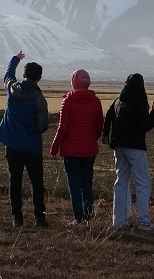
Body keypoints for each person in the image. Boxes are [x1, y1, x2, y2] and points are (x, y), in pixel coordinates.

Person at [0, 50, 50, 228]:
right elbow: (42, 126)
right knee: (37, 183)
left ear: (24, 75)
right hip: (32, 147)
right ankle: (39, 218)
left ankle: (17, 217)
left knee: (15, 181)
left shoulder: (12, 89)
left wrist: (15, 60)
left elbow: (7, 76)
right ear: (39, 78)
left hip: (12, 145)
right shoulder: (39, 100)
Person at [102, 73, 154, 230]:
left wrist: (107, 135)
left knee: (121, 182)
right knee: (143, 182)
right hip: (135, 147)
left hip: (119, 147)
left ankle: (119, 221)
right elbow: (144, 125)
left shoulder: (118, 100)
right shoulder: (139, 102)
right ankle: (143, 221)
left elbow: (108, 116)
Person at [49, 69, 104, 227]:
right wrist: (91, 139)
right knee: (87, 183)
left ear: (74, 82)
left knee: (74, 184)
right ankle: (88, 215)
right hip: (89, 150)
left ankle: (78, 218)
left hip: (71, 150)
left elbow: (62, 128)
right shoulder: (96, 101)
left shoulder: (68, 101)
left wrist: (54, 147)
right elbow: (99, 127)